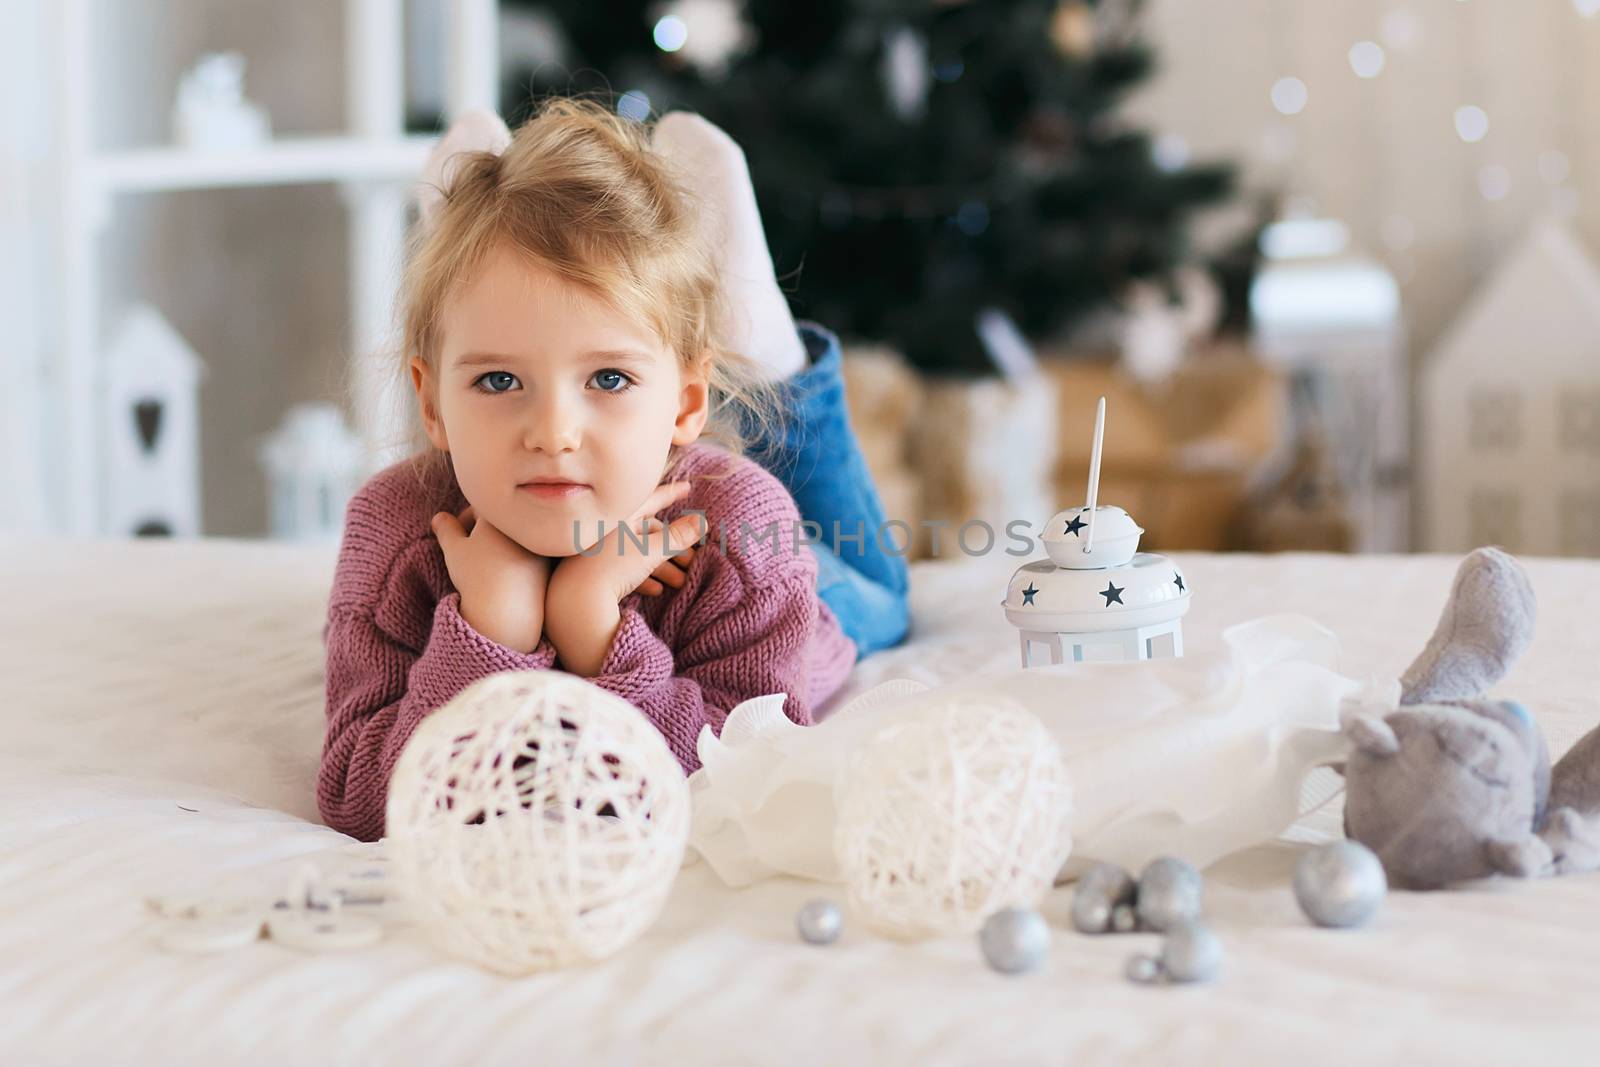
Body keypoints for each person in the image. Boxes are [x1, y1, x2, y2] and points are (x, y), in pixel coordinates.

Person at [318, 97, 909, 842]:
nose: (554, 433)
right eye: (498, 380)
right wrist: (486, 632)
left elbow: (742, 779)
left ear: (689, 400)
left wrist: (595, 631)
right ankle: (485, 245)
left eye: (607, 379)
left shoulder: (742, 532)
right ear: (431, 404)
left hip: (793, 578)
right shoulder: (397, 527)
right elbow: (358, 797)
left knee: (882, 594)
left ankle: (765, 341)